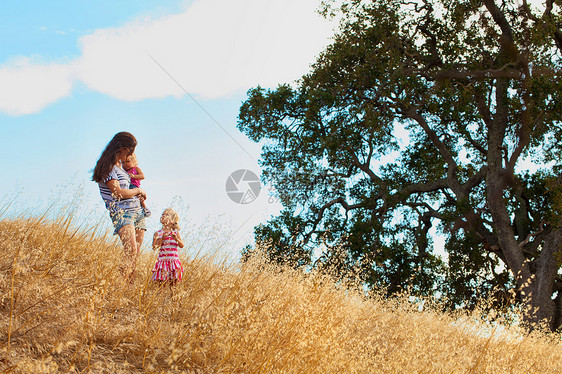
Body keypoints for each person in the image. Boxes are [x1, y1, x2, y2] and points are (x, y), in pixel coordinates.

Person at [92, 132, 147, 284]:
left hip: (137, 212)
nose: (131, 155)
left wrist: (137, 196)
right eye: (130, 151)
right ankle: (119, 287)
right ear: (122, 148)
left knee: (135, 254)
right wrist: (138, 191)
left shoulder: (121, 168)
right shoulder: (108, 168)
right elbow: (118, 193)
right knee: (131, 251)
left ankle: (129, 289)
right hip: (123, 213)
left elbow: (126, 189)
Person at [152, 208, 184, 294]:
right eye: (162, 214)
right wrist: (162, 238)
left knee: (174, 286)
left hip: (173, 262)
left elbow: (181, 245)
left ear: (173, 221)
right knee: (161, 285)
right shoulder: (158, 233)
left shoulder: (175, 232)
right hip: (162, 262)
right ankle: (160, 301)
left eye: (166, 215)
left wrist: (175, 238)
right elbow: (154, 247)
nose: (163, 216)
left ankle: (173, 301)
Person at [122, 153, 151, 217]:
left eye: (128, 161)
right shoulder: (123, 171)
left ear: (134, 161)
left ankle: (144, 208)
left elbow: (142, 176)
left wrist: (134, 176)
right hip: (126, 187)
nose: (125, 164)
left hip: (134, 186)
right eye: (123, 162)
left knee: (139, 198)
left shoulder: (136, 169)